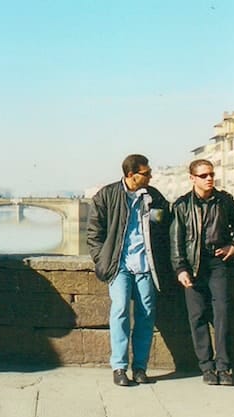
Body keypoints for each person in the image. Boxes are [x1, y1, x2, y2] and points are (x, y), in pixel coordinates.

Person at [86, 154, 171, 386]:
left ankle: (140, 368)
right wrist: (103, 260)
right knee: (120, 310)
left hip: (146, 266)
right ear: (131, 175)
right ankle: (119, 368)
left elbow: (166, 228)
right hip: (120, 266)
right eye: (146, 173)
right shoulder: (107, 195)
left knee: (146, 316)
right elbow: (93, 233)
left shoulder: (154, 197)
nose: (151, 176)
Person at [170, 159, 234, 386]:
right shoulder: (182, 205)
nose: (209, 179)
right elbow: (176, 241)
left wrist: (233, 245)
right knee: (197, 317)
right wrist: (180, 268)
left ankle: (224, 367)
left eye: (211, 174)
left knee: (222, 314)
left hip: (218, 264)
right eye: (204, 175)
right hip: (193, 265)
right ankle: (206, 367)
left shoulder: (224, 201)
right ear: (192, 178)